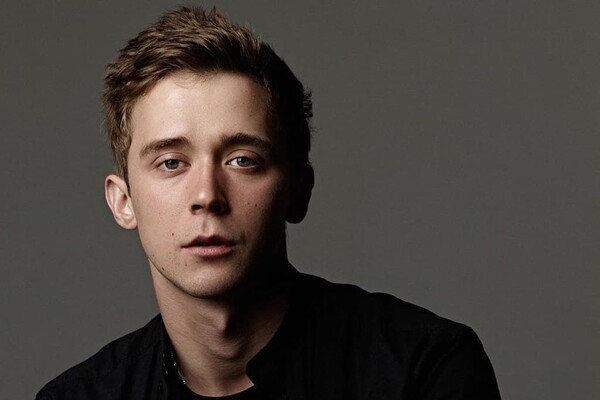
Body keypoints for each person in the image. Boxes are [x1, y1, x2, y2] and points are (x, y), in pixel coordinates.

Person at [36, 6, 501, 400]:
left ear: (298, 190)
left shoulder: (424, 369)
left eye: (243, 160)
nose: (207, 196)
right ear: (123, 202)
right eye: (171, 163)